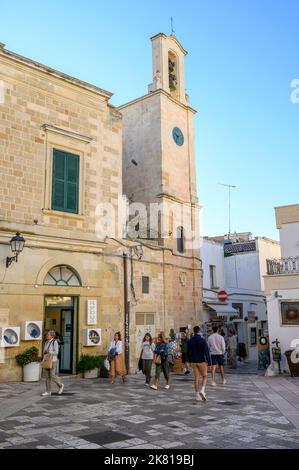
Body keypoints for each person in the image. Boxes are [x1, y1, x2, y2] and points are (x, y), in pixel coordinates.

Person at [187, 326, 211, 402]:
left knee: (196, 378)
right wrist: (209, 363)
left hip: (193, 361)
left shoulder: (190, 340)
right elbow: (206, 352)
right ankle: (202, 390)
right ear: (199, 331)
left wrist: (188, 361)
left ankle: (197, 394)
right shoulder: (203, 340)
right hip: (201, 361)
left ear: (194, 331)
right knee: (205, 376)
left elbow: (188, 352)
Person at [42, 330, 64, 397]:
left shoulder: (55, 342)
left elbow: (56, 352)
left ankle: (61, 385)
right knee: (47, 377)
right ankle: (48, 391)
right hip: (47, 360)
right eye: (46, 335)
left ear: (51, 336)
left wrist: (49, 351)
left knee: (52, 375)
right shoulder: (46, 342)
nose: (46, 335)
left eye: (48, 335)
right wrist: (45, 352)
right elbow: (44, 351)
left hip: (53, 360)